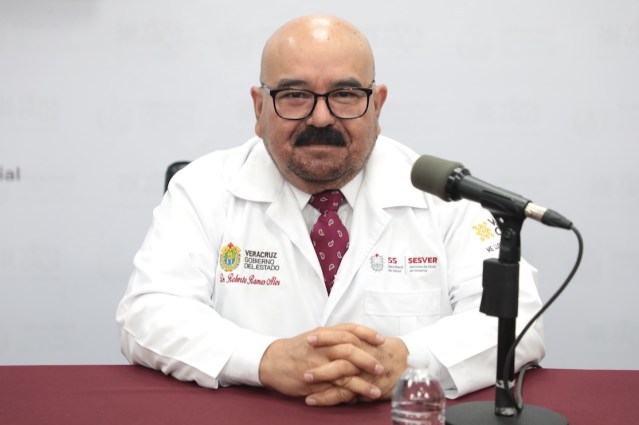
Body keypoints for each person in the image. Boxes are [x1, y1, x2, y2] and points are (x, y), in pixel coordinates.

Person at [116, 14, 545, 407]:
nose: (321, 118)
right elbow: (149, 311)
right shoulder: (203, 187)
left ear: (377, 105)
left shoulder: (443, 194)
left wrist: (407, 359)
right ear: (259, 108)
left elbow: (518, 320)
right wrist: (264, 359)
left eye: (344, 94)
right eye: (295, 95)